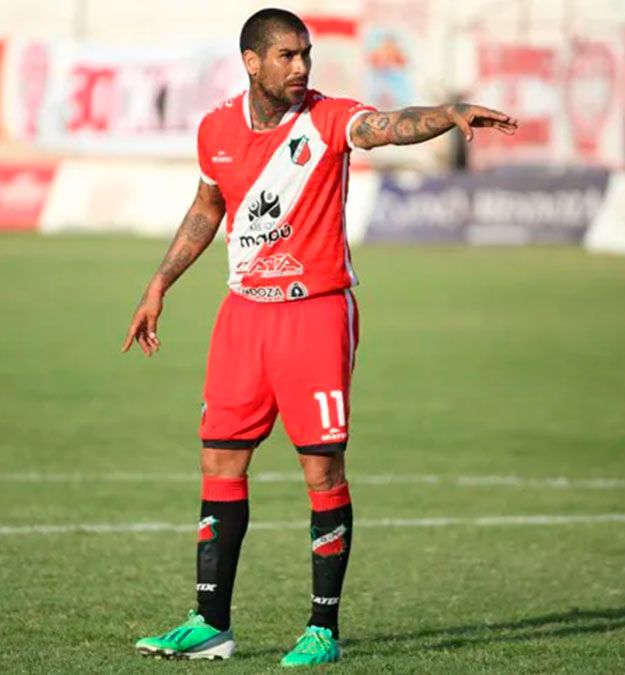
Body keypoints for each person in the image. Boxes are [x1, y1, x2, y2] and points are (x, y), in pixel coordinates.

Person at [122, 8, 516, 667]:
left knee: (321, 468)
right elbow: (207, 206)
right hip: (243, 314)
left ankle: (322, 629)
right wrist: (160, 282)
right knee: (220, 461)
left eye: (306, 54)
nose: (302, 66)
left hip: (315, 313)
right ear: (252, 63)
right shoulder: (215, 129)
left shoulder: (330, 119)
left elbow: (385, 127)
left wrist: (448, 114)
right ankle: (210, 622)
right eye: (287, 56)